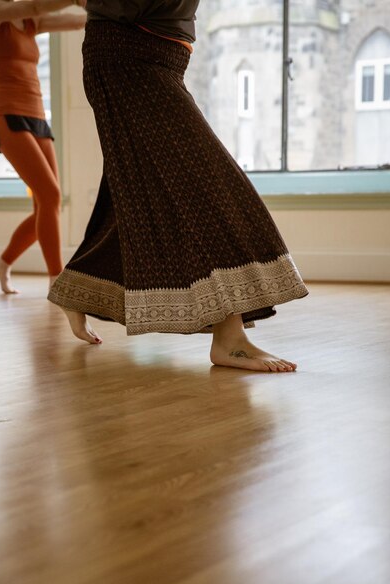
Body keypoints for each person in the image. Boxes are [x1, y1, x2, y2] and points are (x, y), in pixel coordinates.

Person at [48, 0, 309, 372]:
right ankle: (230, 339)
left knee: (138, 192)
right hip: (128, 57)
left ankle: (79, 289)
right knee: (204, 184)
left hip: (157, 57)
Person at [0, 0, 86, 293]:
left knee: (46, 204)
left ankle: (2, 263)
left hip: (37, 115)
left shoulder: (29, 23)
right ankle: (57, 280)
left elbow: (76, 22)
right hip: (7, 113)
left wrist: (106, 11)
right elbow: (36, 7)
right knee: (50, 196)